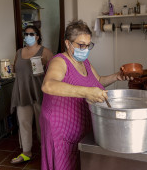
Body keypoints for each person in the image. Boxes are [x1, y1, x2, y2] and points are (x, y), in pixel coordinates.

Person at [40, 20, 132, 170]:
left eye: (88, 45)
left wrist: (117, 76)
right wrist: (86, 92)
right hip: (60, 128)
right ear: (68, 43)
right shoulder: (59, 61)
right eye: (81, 45)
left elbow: (98, 81)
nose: (85, 49)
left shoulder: (85, 63)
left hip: (79, 126)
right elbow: (48, 85)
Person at [10, 25, 53, 164]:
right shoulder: (19, 52)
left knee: (42, 124)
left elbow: (55, 70)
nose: (28, 36)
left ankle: (45, 151)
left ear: (37, 36)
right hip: (22, 92)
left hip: (39, 92)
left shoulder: (45, 51)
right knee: (24, 123)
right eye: (26, 34)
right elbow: (15, 68)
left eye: (31, 34)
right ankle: (26, 152)